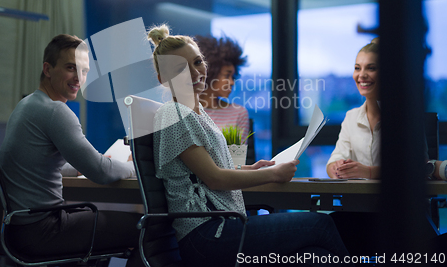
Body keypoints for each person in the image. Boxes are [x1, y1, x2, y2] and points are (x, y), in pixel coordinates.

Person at [148, 24, 353, 267]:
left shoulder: (197, 113)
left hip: (224, 227)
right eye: (180, 68)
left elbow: (206, 172)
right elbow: (215, 179)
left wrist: (252, 169)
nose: (195, 72)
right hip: (207, 235)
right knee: (321, 224)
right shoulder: (174, 113)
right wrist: (272, 174)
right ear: (163, 79)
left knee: (316, 256)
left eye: (197, 62)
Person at [0, 34, 142, 265]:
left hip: (18, 229)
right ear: (47, 69)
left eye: (84, 71)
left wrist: (76, 168)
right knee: (147, 226)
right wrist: (136, 167)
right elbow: (101, 172)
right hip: (43, 230)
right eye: (70, 68)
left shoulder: (26, 105)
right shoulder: (55, 111)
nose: (79, 78)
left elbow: (35, 164)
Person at [326, 38, 381, 179]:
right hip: (357, 200)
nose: (361, 75)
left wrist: (368, 172)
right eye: (357, 68)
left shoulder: (406, 117)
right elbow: (332, 162)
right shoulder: (351, 117)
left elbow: (418, 169)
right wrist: (337, 168)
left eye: (371, 68)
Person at [195, 35, 250, 144]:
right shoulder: (184, 112)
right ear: (209, 73)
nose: (232, 82)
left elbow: (238, 158)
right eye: (227, 76)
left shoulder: (238, 113)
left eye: (233, 77)